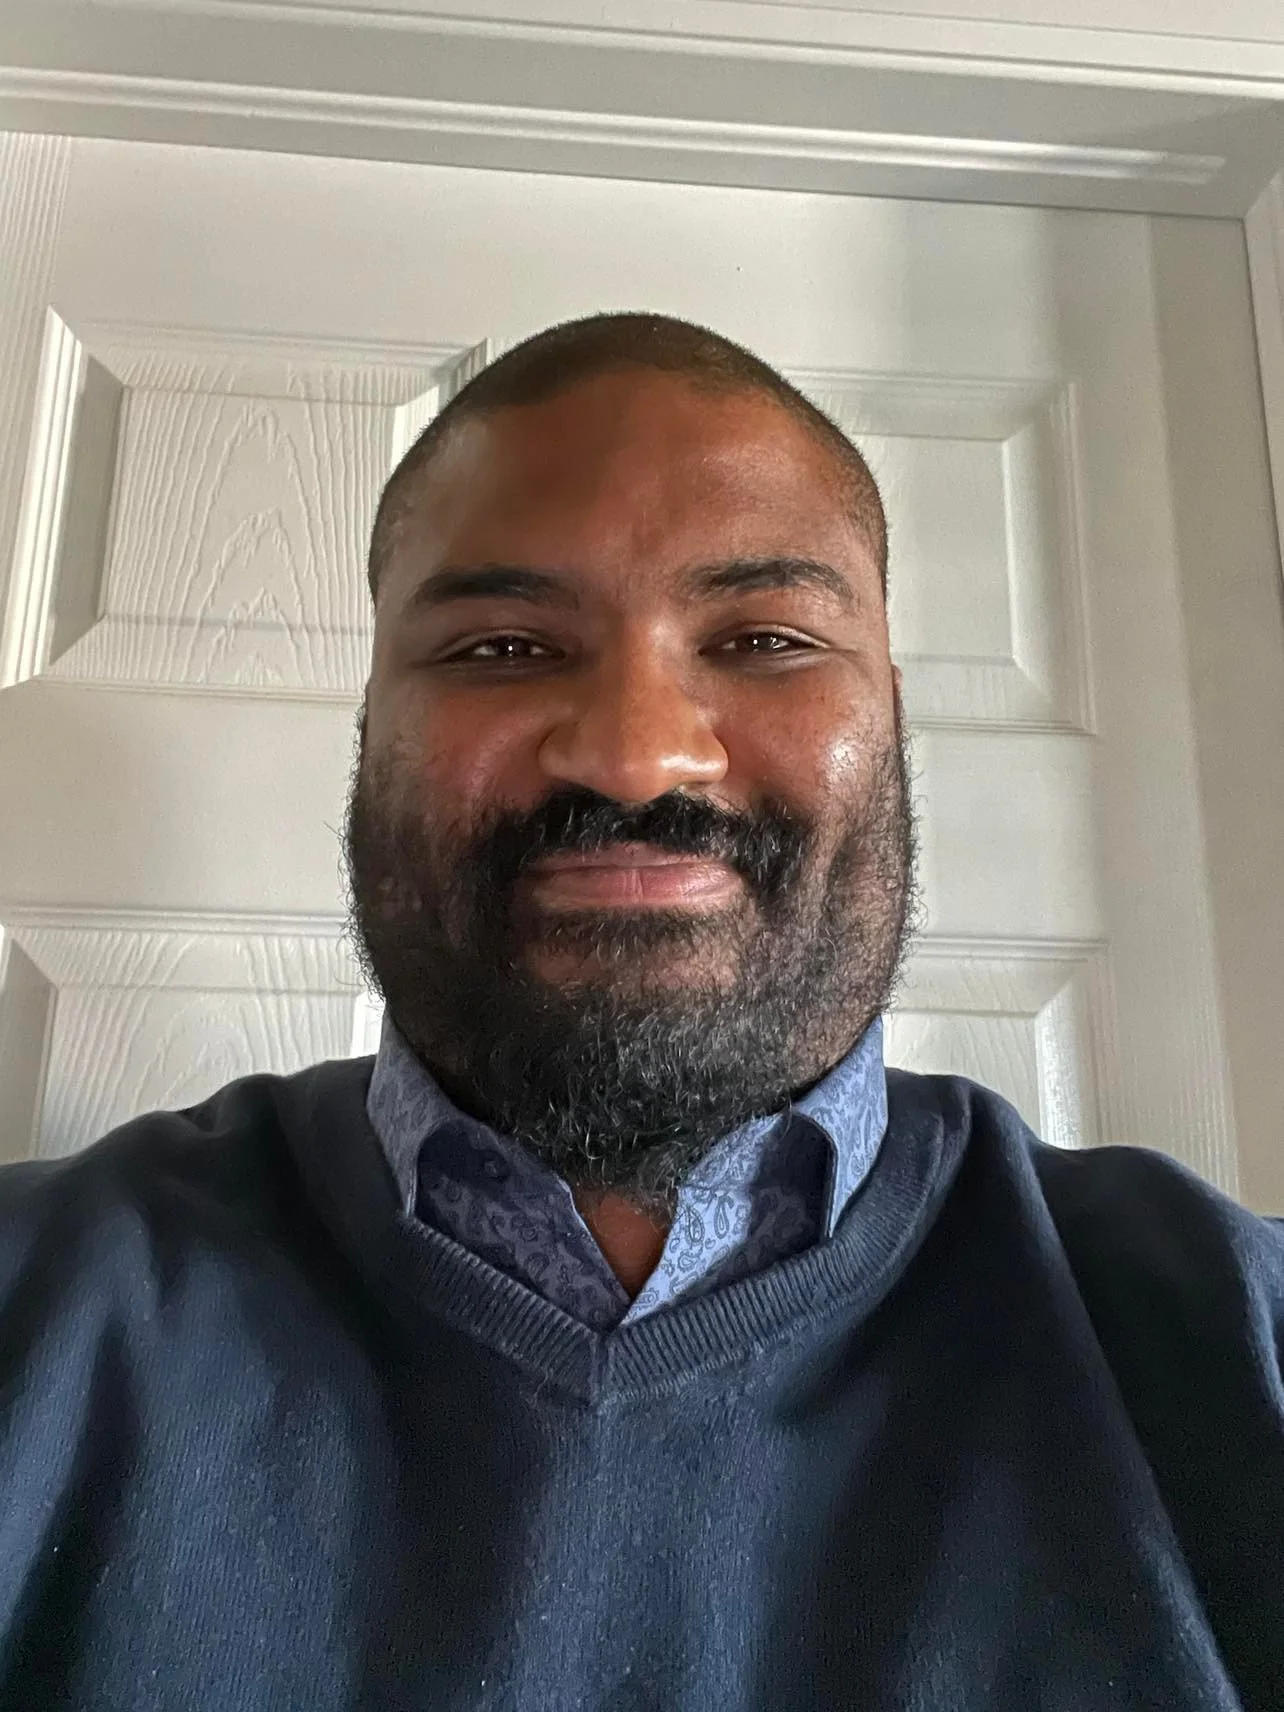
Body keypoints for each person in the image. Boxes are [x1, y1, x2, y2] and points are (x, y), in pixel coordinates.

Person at [0, 312, 1279, 1712]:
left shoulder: (1238, 1339)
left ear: (891, 714)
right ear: (376, 720)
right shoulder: (36, 1309)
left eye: (765, 638)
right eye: (499, 647)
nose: (633, 746)